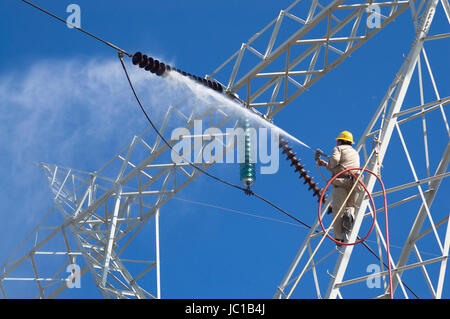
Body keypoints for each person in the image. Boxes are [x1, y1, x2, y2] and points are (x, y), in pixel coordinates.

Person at [317, 131, 361, 244]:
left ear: (340, 141)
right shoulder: (355, 153)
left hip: (340, 182)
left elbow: (335, 162)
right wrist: (326, 164)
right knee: (351, 206)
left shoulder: (338, 149)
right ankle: (349, 220)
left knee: (338, 210)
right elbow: (344, 166)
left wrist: (329, 162)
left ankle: (339, 237)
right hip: (354, 183)